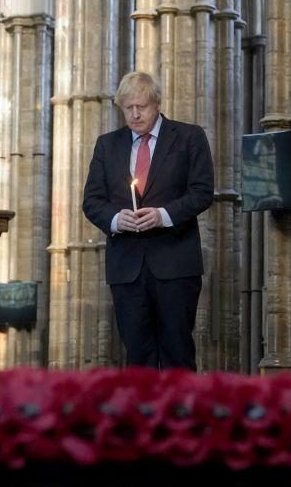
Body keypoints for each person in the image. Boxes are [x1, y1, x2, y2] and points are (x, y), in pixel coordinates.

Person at [82, 71, 214, 370]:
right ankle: (141, 415)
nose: (135, 114)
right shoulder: (108, 145)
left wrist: (162, 216)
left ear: (157, 103)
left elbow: (203, 192)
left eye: (141, 106)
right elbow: (92, 202)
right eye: (128, 108)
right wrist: (116, 220)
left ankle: (179, 415)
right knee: (137, 356)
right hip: (127, 268)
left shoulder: (189, 137)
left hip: (175, 263)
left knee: (177, 351)